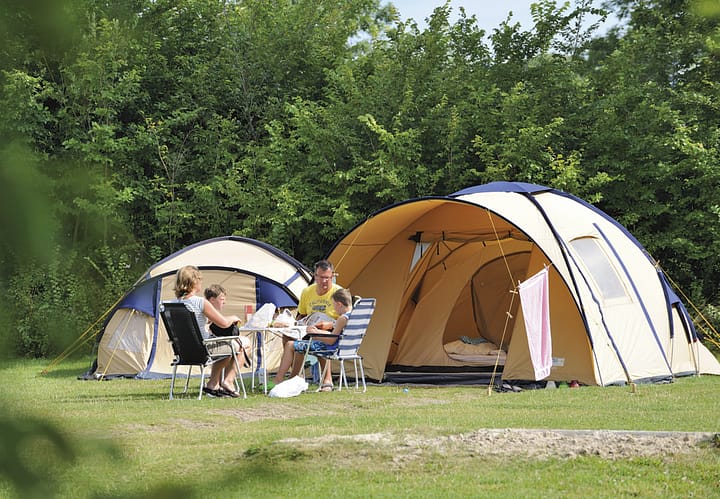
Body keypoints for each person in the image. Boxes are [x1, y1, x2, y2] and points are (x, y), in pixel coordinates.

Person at [172, 265, 243, 398]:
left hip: (183, 351)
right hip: (203, 349)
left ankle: (214, 384)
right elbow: (223, 323)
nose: (201, 282)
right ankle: (222, 382)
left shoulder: (173, 304)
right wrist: (233, 317)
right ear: (194, 282)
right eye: (200, 279)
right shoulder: (201, 302)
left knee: (227, 346)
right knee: (237, 345)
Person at [273, 288, 353, 392]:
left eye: (334, 305)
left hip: (329, 348)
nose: (334, 308)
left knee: (290, 344)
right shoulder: (353, 316)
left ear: (339, 304)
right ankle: (293, 379)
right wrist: (320, 331)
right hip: (346, 349)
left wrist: (315, 334)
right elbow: (336, 336)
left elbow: (331, 340)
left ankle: (278, 379)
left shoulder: (342, 319)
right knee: (299, 345)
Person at [204, 283, 252, 393]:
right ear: (212, 300)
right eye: (221, 299)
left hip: (193, 349)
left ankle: (219, 381)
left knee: (235, 345)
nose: (224, 302)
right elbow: (224, 323)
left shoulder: (199, 311)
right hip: (207, 348)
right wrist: (234, 317)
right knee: (243, 344)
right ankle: (228, 380)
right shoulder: (206, 309)